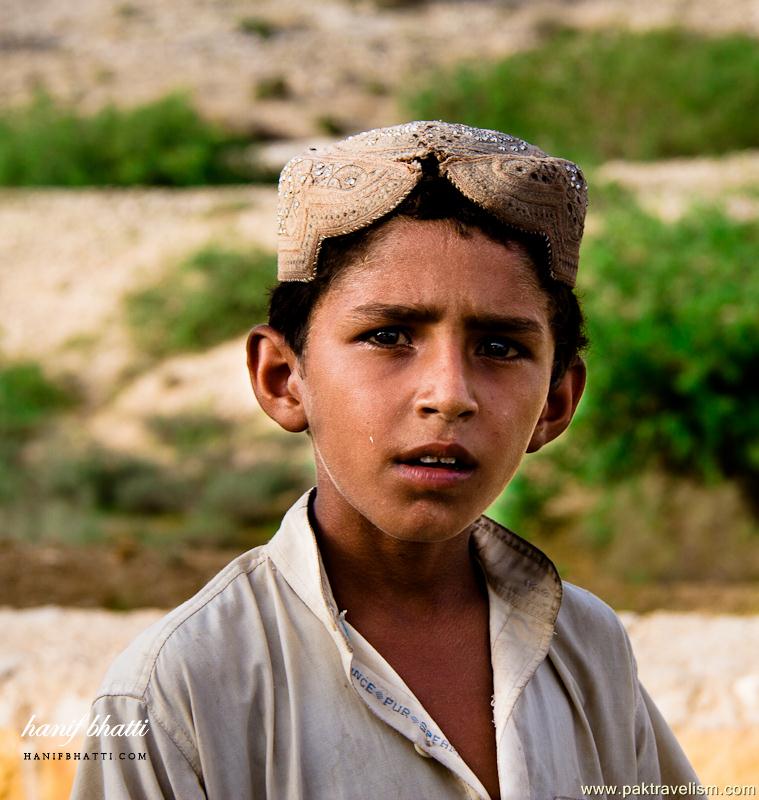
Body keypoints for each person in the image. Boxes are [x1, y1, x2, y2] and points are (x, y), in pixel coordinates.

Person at [71, 121, 699, 799]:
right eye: (388, 335)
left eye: (498, 347)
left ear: (554, 402)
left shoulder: (584, 646)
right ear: (283, 379)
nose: (448, 395)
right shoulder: (180, 687)